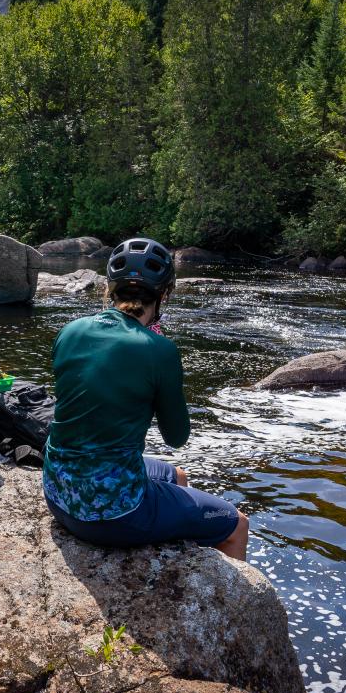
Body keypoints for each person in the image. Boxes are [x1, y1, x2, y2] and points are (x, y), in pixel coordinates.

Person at [42, 238, 250, 560]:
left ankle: (179, 552)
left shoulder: (70, 331)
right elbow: (176, 437)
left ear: (109, 289)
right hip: (115, 514)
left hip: (57, 494)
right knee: (237, 524)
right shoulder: (159, 349)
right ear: (164, 294)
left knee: (177, 476)